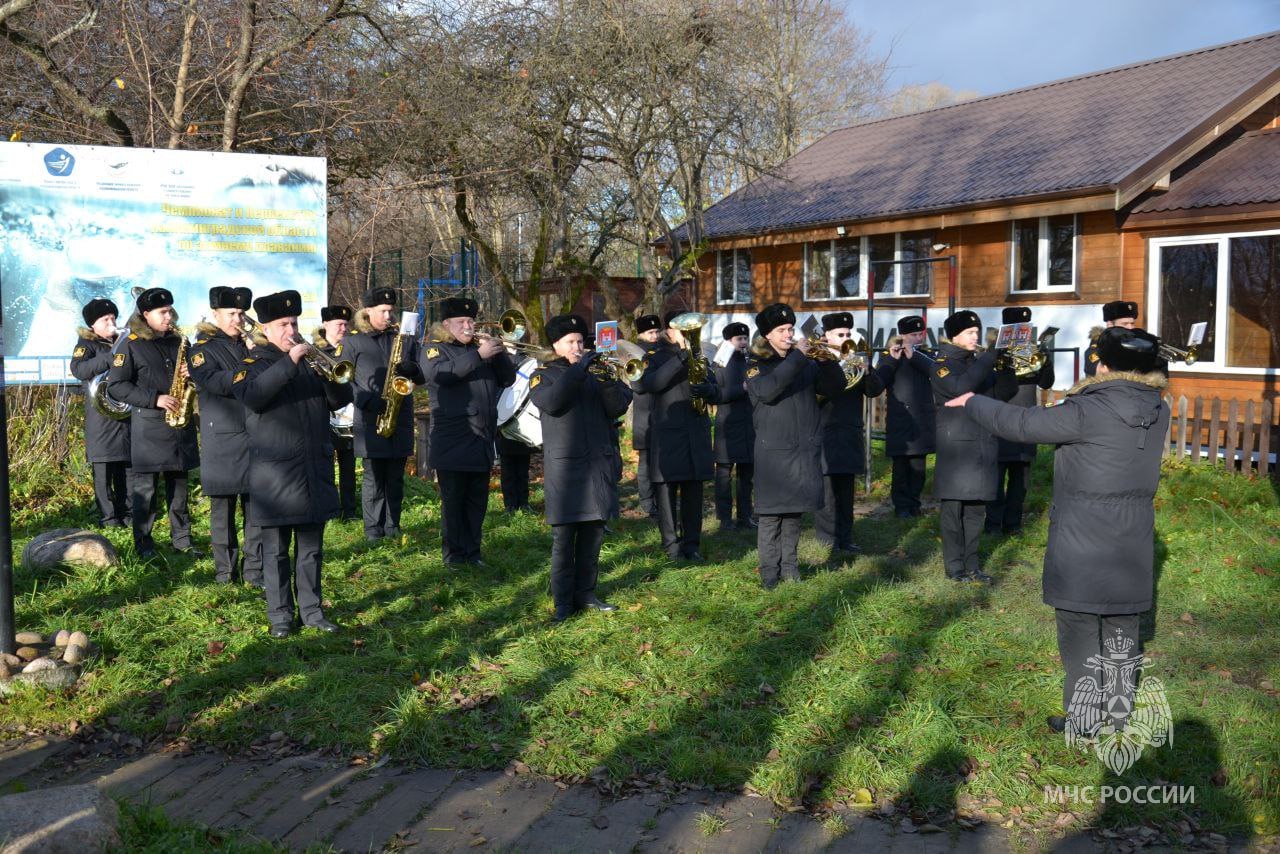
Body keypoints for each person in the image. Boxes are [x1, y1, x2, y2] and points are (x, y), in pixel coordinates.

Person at [945, 327, 1169, 735]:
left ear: (1103, 365)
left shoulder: (1090, 409)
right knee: (1123, 629)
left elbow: (1024, 423)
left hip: (1083, 535)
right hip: (1133, 536)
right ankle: (1117, 717)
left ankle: (1084, 720)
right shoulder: (1157, 407)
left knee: (1080, 629)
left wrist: (974, 402)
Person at [232, 290, 353, 638]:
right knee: (276, 553)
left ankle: (313, 612)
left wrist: (328, 371)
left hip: (313, 470)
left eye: (295, 323)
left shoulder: (310, 362)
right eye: (284, 324)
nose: (292, 330)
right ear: (266, 329)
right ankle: (281, 617)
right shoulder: (253, 364)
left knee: (312, 551)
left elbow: (340, 398)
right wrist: (290, 363)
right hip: (275, 477)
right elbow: (253, 397)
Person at [529, 314, 633, 621]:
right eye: (570, 342)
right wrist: (578, 371)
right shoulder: (544, 374)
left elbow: (617, 407)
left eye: (580, 341)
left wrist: (607, 380)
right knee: (564, 541)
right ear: (556, 345)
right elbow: (552, 402)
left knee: (593, 535)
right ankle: (563, 603)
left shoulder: (597, 372)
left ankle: (586, 594)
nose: (577, 346)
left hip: (598, 464)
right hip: (566, 470)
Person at [745, 304, 846, 589]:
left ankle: (790, 570)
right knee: (770, 516)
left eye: (790, 329)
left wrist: (827, 360)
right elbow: (767, 391)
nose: (788, 335)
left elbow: (835, 387)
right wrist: (800, 357)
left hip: (803, 449)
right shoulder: (755, 364)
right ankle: (768, 575)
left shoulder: (805, 362)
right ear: (767, 335)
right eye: (781, 330)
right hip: (773, 452)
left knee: (793, 514)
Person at [419, 296, 516, 567]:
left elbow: (507, 379)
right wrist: (478, 355)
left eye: (471, 320)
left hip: (482, 439)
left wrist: (498, 354)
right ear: (446, 324)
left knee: (477, 503)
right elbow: (441, 375)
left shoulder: (479, 349)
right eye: (461, 321)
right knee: (454, 503)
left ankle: (473, 553)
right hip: (452, 440)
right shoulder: (434, 349)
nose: (468, 326)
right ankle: (453, 556)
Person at [106, 287, 201, 559]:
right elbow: (117, 387)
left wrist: (192, 372)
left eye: (170, 310)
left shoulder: (179, 340)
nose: (168, 316)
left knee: (180, 491)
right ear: (146, 314)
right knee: (145, 493)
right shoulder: (131, 343)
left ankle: (182, 540)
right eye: (162, 312)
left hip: (179, 425)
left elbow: (197, 375)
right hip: (149, 428)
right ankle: (144, 545)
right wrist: (154, 398)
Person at [930, 309, 1017, 583]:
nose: (975, 337)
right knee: (954, 511)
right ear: (955, 336)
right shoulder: (943, 363)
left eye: (977, 332)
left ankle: (972, 565)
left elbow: (1004, 393)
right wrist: (990, 357)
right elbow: (959, 387)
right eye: (970, 333)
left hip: (983, 444)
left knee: (977, 511)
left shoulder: (979, 362)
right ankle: (954, 567)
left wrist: (1006, 367)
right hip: (957, 448)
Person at [189, 286, 261, 586]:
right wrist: (250, 369)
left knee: (256, 509)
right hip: (222, 439)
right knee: (223, 511)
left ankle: (254, 571)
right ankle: (225, 572)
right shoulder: (201, 348)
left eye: (241, 314)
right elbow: (213, 381)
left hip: (255, 435)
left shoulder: (251, 345)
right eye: (231, 314)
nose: (238, 319)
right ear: (215, 314)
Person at [343, 287, 423, 541]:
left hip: (400, 413)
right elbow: (342, 379)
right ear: (368, 311)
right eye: (383, 311)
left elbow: (422, 375)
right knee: (374, 477)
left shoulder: (403, 337)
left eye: (391, 310)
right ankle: (373, 530)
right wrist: (365, 400)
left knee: (395, 477)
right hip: (370, 417)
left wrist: (412, 368)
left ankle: (393, 526)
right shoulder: (353, 341)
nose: (389, 315)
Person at [639, 311, 718, 561]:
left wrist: (709, 388)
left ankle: (692, 545)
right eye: (682, 331)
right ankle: (671, 546)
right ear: (669, 332)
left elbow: (716, 389)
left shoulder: (700, 356)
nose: (687, 336)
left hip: (696, 432)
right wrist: (681, 357)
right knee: (667, 492)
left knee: (694, 492)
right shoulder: (654, 356)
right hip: (669, 435)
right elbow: (651, 384)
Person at [814, 312, 885, 556]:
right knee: (827, 489)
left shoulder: (856, 358)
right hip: (825, 430)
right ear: (826, 336)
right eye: (840, 334)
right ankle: (826, 539)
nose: (845, 338)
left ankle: (845, 538)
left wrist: (867, 370)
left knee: (846, 491)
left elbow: (875, 391)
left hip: (850, 430)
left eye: (847, 334)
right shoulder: (819, 360)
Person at [986, 307, 1056, 535]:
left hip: (1025, 424)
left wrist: (1046, 362)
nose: (1023, 333)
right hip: (1000, 422)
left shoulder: (1032, 353)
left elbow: (1045, 383)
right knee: (995, 478)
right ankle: (993, 524)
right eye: (1018, 328)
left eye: (1025, 328)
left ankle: (1013, 524)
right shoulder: (993, 353)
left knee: (1020, 480)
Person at [70, 298, 132, 528]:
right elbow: (78, 369)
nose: (111, 322)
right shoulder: (86, 344)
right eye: (105, 319)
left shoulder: (123, 342)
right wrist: (111, 357)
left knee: (127, 470)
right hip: (101, 419)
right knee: (104, 470)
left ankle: (128, 514)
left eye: (113, 317)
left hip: (125, 417)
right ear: (93, 324)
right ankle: (109, 518)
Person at [874, 315, 936, 518]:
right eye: (912, 334)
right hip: (900, 420)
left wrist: (915, 356)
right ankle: (900, 506)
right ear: (901, 335)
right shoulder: (890, 355)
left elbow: (936, 373)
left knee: (919, 466)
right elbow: (878, 381)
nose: (917, 338)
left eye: (920, 334)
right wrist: (893, 358)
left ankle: (914, 503)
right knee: (901, 467)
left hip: (922, 420)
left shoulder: (926, 355)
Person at [315, 304, 357, 520]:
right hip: (324, 417)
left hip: (349, 415)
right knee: (325, 468)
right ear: (325, 324)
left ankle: (349, 511)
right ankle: (329, 509)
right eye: (339, 324)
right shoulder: (315, 349)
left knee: (349, 466)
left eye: (346, 324)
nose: (344, 328)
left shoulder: (351, 347)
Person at [712, 322, 755, 533]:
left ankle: (746, 516)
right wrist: (742, 388)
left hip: (749, 424)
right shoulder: (720, 363)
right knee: (724, 475)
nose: (744, 343)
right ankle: (725, 518)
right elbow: (717, 394)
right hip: (727, 425)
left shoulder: (751, 360)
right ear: (729, 340)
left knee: (747, 476)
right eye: (740, 339)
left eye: (746, 338)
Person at [628, 314, 663, 519]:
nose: (655, 335)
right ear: (641, 334)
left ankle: (660, 500)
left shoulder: (662, 350)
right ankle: (647, 503)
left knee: (660, 460)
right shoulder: (635, 353)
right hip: (645, 413)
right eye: (650, 332)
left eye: (657, 331)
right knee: (646, 462)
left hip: (661, 412)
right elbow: (637, 385)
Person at [1084, 300, 1137, 377]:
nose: (1130, 327)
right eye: (1125, 324)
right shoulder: (1098, 348)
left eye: (1132, 324)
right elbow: (1103, 373)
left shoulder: (1137, 344)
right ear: (1110, 325)